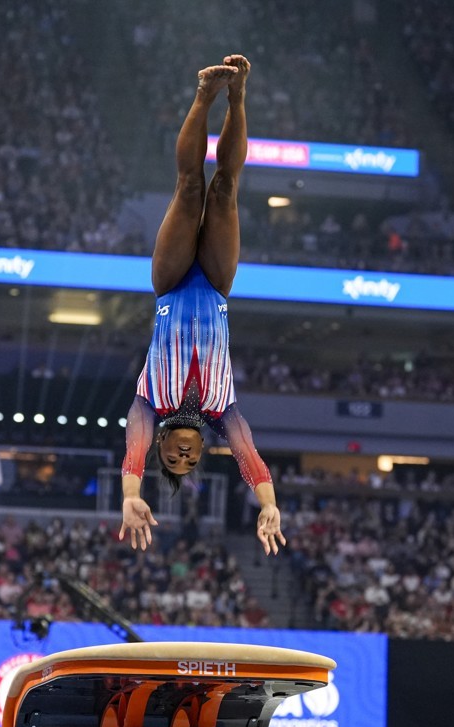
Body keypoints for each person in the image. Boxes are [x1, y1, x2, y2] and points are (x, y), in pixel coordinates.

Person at [120, 55, 284, 557]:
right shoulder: (223, 409)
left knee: (190, 189)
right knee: (226, 189)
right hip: (215, 284)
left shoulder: (150, 406)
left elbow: (130, 458)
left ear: (163, 448)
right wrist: (269, 505)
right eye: (189, 462)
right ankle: (236, 97)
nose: (183, 456)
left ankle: (203, 95)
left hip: (170, 284)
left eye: (172, 459)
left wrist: (131, 497)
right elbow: (250, 458)